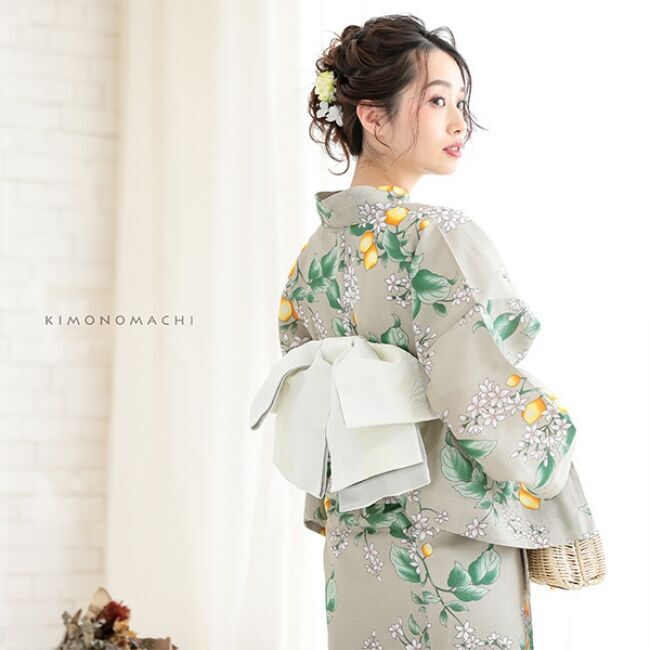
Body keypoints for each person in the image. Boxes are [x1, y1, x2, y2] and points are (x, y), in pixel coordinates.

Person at [273, 14, 598, 650]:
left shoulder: (311, 259)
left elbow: (310, 406)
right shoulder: (438, 235)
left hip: (359, 540)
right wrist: (553, 446)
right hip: (450, 542)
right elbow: (477, 393)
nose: (459, 124)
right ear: (373, 117)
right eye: (438, 101)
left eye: (461, 104)